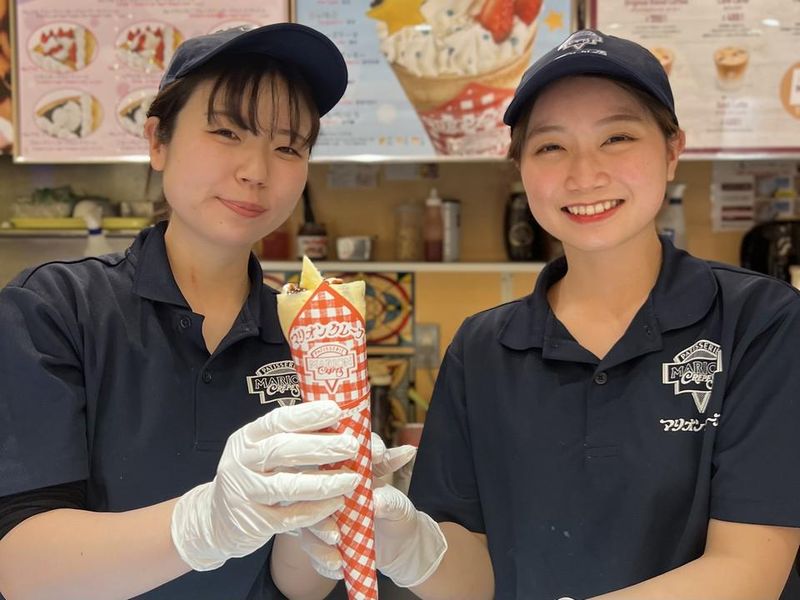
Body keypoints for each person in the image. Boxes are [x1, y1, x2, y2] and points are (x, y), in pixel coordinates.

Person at [299, 29, 800, 599]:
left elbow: (750, 571)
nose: (584, 172)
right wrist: (408, 545)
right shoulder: (484, 346)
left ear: (672, 150)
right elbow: (470, 572)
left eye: (617, 137)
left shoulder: (761, 322)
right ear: (519, 168)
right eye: (550, 147)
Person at [0, 22, 412, 600]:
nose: (256, 170)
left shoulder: (307, 332)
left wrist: (331, 514)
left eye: (289, 146)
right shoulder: (55, 311)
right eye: (226, 132)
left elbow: (297, 586)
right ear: (157, 141)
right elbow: (21, 570)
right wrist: (207, 523)